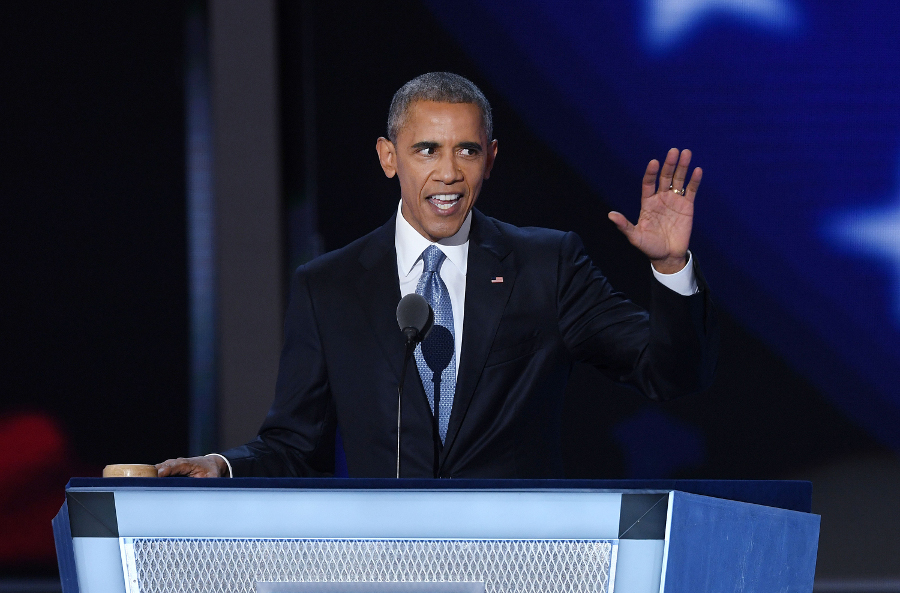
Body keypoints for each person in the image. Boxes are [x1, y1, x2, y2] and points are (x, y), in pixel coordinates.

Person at [157, 72, 718, 479]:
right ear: (388, 156)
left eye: (466, 151)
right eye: (426, 150)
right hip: (387, 565)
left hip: (519, 562)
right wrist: (224, 466)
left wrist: (670, 268)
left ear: (490, 158)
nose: (448, 173)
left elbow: (670, 376)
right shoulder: (328, 285)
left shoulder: (547, 265)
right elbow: (295, 443)